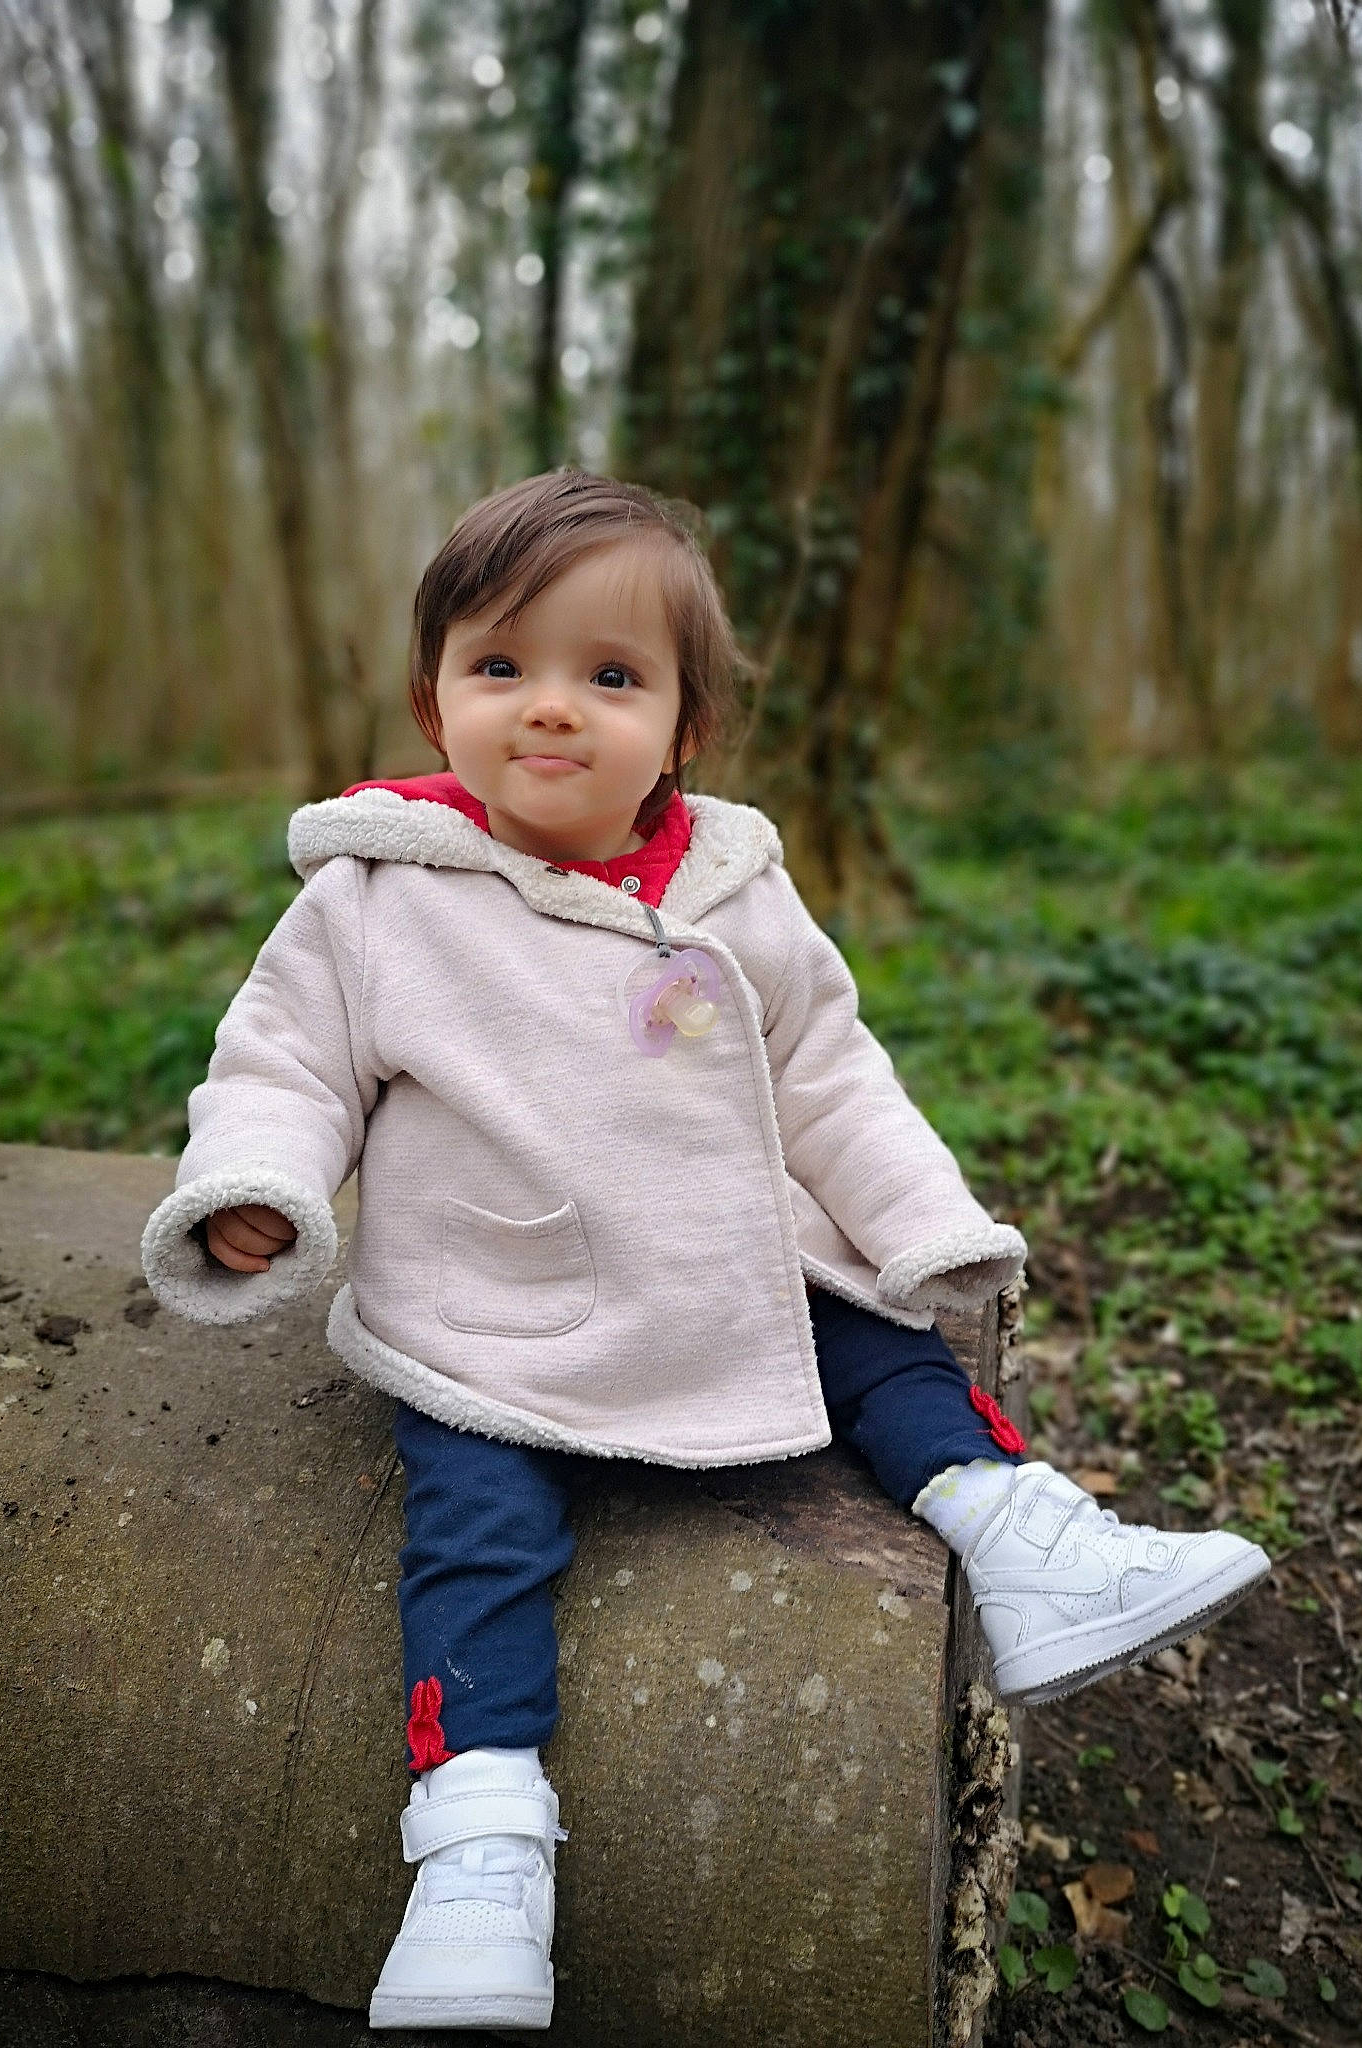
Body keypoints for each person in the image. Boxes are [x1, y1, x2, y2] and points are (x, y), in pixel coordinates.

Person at [141, 469, 1270, 2033]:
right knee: (476, 1531)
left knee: (879, 1338)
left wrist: (921, 1224)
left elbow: (828, 1074)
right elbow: (282, 1063)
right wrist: (258, 1181)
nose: (551, 710)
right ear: (434, 699)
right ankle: (478, 1847)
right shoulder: (375, 898)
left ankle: (1023, 1535)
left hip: (718, 1273)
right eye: (501, 667)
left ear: (682, 730)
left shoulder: (733, 891)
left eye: (609, 678)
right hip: (494, 1308)